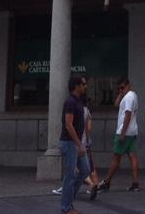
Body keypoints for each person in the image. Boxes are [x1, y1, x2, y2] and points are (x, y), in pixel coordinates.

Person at [90, 77, 140, 199]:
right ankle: (135, 183)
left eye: (122, 87)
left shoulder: (128, 97)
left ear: (128, 85)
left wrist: (122, 133)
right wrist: (120, 93)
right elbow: (116, 104)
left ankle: (106, 182)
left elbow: (128, 114)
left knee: (116, 158)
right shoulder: (132, 95)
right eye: (119, 88)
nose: (121, 90)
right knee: (132, 156)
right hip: (132, 131)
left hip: (124, 131)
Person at [59, 74, 91, 214]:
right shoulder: (70, 102)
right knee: (70, 175)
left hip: (76, 142)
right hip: (69, 143)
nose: (86, 86)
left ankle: (69, 199)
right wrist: (79, 144)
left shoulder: (79, 101)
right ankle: (66, 207)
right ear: (76, 86)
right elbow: (68, 124)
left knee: (85, 170)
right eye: (83, 84)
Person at [54, 96, 96, 198]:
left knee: (78, 169)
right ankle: (93, 184)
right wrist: (87, 141)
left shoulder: (79, 109)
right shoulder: (85, 111)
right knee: (86, 167)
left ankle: (71, 190)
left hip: (77, 143)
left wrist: (80, 143)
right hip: (81, 142)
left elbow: (70, 125)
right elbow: (88, 128)